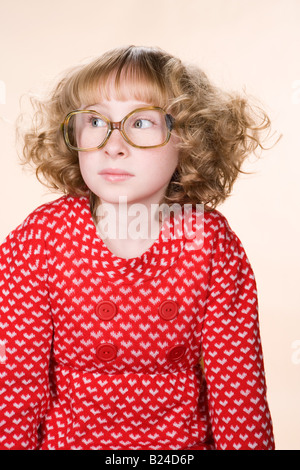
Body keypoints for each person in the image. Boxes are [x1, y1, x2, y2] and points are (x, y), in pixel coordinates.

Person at [0, 45, 275, 450]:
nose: (113, 144)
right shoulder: (41, 237)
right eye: (95, 120)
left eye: (141, 122)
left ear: (189, 139)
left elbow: (238, 388)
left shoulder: (211, 243)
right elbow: (15, 382)